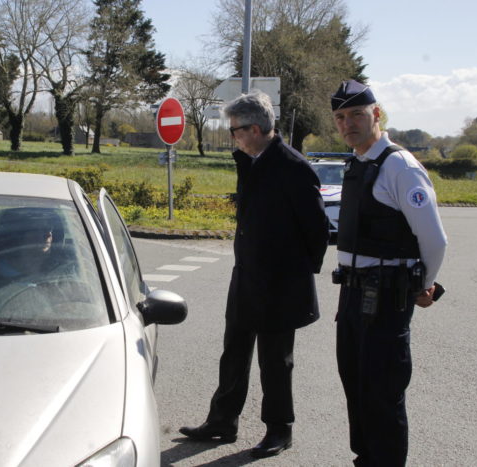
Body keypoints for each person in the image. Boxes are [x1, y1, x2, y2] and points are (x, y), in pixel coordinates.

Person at [179, 91, 329, 458]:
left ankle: (280, 430)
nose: (233, 137)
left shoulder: (293, 167)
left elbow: (318, 231)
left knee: (275, 362)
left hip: (280, 284)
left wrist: (294, 274)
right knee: (234, 353)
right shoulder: (252, 161)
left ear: (258, 128)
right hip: (247, 278)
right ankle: (222, 421)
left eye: (236, 130)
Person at [330, 80, 448, 466]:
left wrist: (424, 285)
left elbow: (434, 240)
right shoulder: (359, 164)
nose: (349, 124)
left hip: (386, 299)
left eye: (357, 115)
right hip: (352, 296)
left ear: (376, 115)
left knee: (382, 393)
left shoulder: (398, 166)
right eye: (341, 117)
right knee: (356, 386)